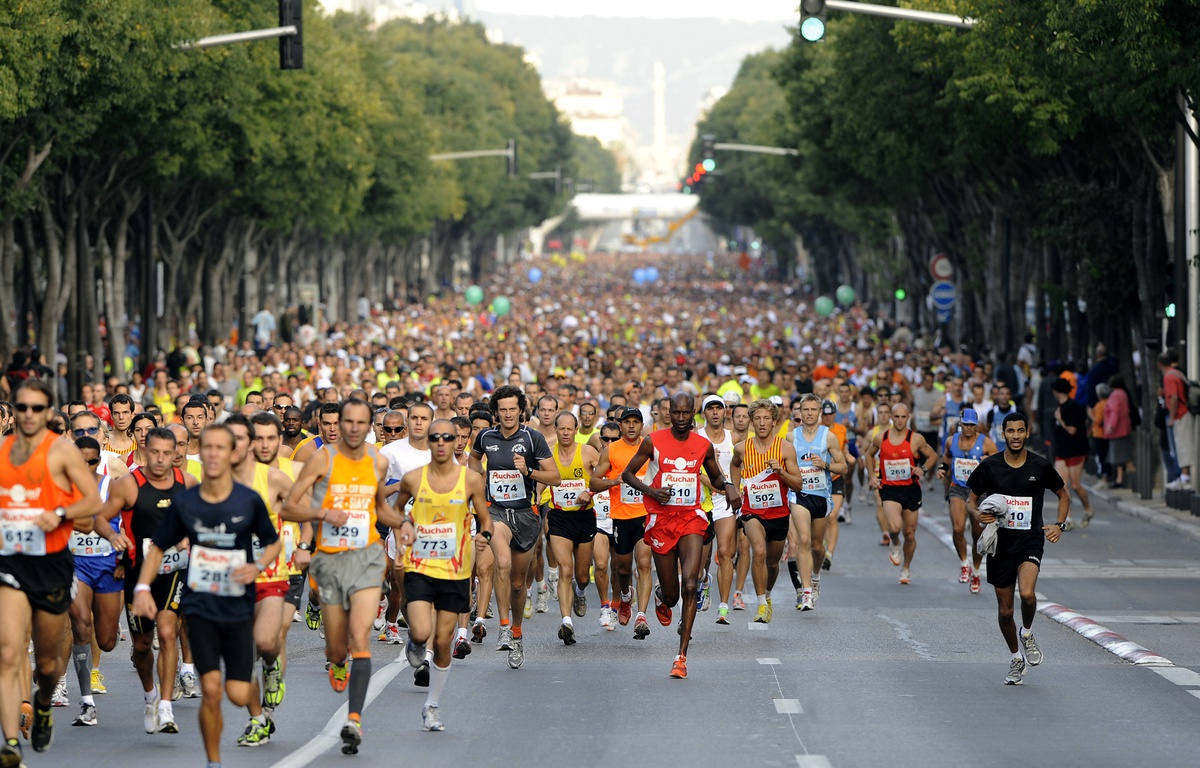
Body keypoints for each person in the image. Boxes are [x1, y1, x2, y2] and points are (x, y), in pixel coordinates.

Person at [132, 424, 281, 766]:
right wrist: (142, 586)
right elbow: (158, 547)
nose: (213, 453)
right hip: (199, 607)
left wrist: (257, 567)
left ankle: (256, 706)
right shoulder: (186, 502)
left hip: (238, 609)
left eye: (221, 448)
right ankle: (213, 762)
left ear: (232, 454)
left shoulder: (248, 500)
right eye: (208, 447)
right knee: (211, 691)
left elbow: (273, 542)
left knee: (236, 692)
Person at [283, 399, 406, 755]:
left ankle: (354, 719)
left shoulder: (378, 460)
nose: (351, 428)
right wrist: (323, 513)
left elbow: (379, 506)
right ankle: (336, 660)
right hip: (330, 561)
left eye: (359, 422)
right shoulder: (321, 459)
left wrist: (405, 524)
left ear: (370, 425)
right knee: (338, 647)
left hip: (366, 558)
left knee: (360, 636)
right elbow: (290, 505)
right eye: (344, 421)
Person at [0, 379, 102, 766]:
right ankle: (11, 743)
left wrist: (59, 514)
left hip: (51, 565)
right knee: (9, 653)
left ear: (47, 412)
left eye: (36, 409)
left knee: (46, 664)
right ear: (14, 412)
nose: (28, 415)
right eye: (21, 408)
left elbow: (91, 504)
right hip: (9, 564)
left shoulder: (61, 452)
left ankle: (43, 701)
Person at [621, 393, 741, 679]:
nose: (681, 418)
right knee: (673, 595)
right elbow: (628, 474)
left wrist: (729, 486)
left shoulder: (703, 445)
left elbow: (714, 477)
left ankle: (681, 655)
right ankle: (662, 598)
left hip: (691, 518)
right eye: (676, 413)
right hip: (661, 520)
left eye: (687, 413)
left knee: (690, 583)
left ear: (693, 413)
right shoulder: (654, 441)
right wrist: (651, 491)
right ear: (669, 413)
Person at [390, 419, 492, 731]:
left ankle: (432, 705)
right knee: (421, 631)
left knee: (445, 642)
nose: (442, 443)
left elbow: (484, 519)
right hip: (420, 566)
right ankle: (415, 645)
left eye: (449, 437)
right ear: (429, 442)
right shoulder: (412, 478)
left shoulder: (471, 479)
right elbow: (395, 513)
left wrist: (484, 535)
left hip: (455, 571)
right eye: (436, 437)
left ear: (456, 441)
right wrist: (402, 535)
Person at [102, 426, 198, 733]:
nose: (159, 459)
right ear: (146, 451)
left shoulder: (188, 484)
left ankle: (167, 708)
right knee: (143, 645)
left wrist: (189, 538)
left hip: (174, 571)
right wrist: (114, 535)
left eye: (166, 453)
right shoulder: (129, 485)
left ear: (175, 454)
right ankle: (150, 696)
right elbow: (99, 518)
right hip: (138, 574)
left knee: (168, 633)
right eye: (153, 452)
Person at [967, 412, 1070, 685]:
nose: (1015, 436)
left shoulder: (1040, 465)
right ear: (1003, 434)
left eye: (1020, 431)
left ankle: (1027, 632)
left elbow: (1063, 494)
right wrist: (977, 514)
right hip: (999, 543)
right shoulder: (990, 466)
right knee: (1004, 611)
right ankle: (1016, 658)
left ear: (1027, 433)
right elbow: (970, 500)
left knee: (1026, 593)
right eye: (1010, 431)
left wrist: (1059, 524)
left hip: (1030, 539)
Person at [467, 385, 559, 669]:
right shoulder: (486, 436)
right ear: (496, 412)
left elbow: (554, 477)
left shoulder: (533, 439)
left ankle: (516, 633)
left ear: (521, 411)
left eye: (512, 409)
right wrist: (476, 479)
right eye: (502, 410)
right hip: (496, 512)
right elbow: (474, 458)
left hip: (525, 516)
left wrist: (528, 471)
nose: (507, 415)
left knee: (519, 584)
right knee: (502, 563)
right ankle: (504, 627)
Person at [64, 436, 123, 726]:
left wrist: (125, 559)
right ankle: (87, 702)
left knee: (108, 640)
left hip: (108, 565)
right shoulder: (61, 487)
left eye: (91, 461)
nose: (85, 467)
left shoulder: (111, 486)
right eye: (79, 461)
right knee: (80, 624)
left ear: (98, 462)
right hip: (76, 565)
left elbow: (127, 525)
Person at [728, 400, 804, 623]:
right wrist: (735, 489)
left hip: (779, 513)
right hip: (752, 511)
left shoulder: (785, 448)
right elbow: (734, 464)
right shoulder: (742, 448)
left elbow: (798, 484)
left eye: (766, 419)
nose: (762, 423)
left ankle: (767, 594)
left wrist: (781, 471)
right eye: (757, 419)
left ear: (774, 422)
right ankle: (761, 604)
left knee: (772, 562)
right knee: (758, 551)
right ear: (752, 422)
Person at [589, 406, 654, 639]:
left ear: (641, 425)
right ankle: (625, 595)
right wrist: (614, 481)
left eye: (636, 422)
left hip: (646, 515)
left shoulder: (651, 447)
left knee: (644, 564)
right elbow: (593, 483)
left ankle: (642, 615)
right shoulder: (611, 451)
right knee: (623, 567)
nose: (632, 426)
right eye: (627, 422)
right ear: (622, 425)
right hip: (621, 516)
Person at [541, 412, 600, 645]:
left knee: (582, 575)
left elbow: (604, 475)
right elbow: (541, 479)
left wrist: (591, 492)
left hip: (584, 517)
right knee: (565, 569)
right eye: (561, 429)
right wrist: (538, 505)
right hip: (559, 517)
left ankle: (581, 590)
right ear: (555, 429)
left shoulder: (587, 452)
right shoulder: (548, 454)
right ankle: (566, 622)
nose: (565, 433)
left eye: (569, 429)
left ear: (576, 430)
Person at [863, 402, 937, 585]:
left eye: (903, 417)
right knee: (895, 528)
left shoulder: (916, 439)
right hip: (890, 489)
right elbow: (868, 455)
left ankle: (906, 568)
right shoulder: (882, 438)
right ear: (891, 417)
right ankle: (895, 543)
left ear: (908, 417)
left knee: (910, 533)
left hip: (911, 489)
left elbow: (933, 455)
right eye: (896, 416)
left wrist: (924, 469)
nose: (900, 420)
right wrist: (872, 477)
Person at [788, 394, 849, 609]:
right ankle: (806, 593)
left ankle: (815, 577)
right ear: (800, 413)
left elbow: (844, 466)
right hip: (799, 495)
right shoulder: (791, 438)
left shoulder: (828, 437)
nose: (810, 413)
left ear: (820, 413)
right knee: (803, 540)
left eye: (814, 410)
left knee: (816, 545)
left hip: (822, 495)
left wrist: (825, 465)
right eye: (806, 410)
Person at [935, 408, 998, 593]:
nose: (969, 428)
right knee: (957, 528)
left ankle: (976, 572)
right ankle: (964, 563)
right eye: (966, 424)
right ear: (960, 424)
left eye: (972, 425)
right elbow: (946, 456)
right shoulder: (951, 441)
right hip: (958, 489)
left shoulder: (986, 443)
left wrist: (989, 462)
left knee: (977, 534)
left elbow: (1000, 466)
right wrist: (942, 468)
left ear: (976, 425)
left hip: (979, 493)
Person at [1050, 378, 1094, 528]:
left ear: (1057, 391)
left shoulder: (1072, 407)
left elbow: (1072, 430)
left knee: (1075, 485)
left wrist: (1060, 419)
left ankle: (1088, 509)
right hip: (1062, 451)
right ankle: (1067, 519)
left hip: (1076, 450)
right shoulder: (1060, 406)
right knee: (1062, 485)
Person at [1160, 349, 1194, 490]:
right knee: (1181, 445)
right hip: (1183, 412)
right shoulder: (1177, 373)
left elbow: (1173, 397)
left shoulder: (1168, 376)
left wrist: (1172, 417)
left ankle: (1184, 477)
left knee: (1182, 445)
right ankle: (1183, 476)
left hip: (1180, 414)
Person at [1103, 374, 1134, 488]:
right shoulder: (1123, 393)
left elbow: (1114, 411)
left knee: (1123, 457)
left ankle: (1133, 476)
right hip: (1124, 428)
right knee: (1119, 457)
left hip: (1117, 431)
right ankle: (1119, 478)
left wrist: (1111, 425)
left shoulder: (1115, 395)